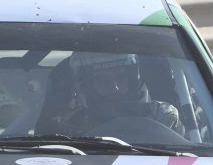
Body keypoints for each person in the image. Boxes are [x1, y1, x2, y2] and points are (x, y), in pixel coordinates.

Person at [37, 52, 182, 136]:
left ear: (132, 79)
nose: (115, 88)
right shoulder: (69, 130)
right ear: (87, 87)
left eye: (120, 77)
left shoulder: (163, 117)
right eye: (103, 80)